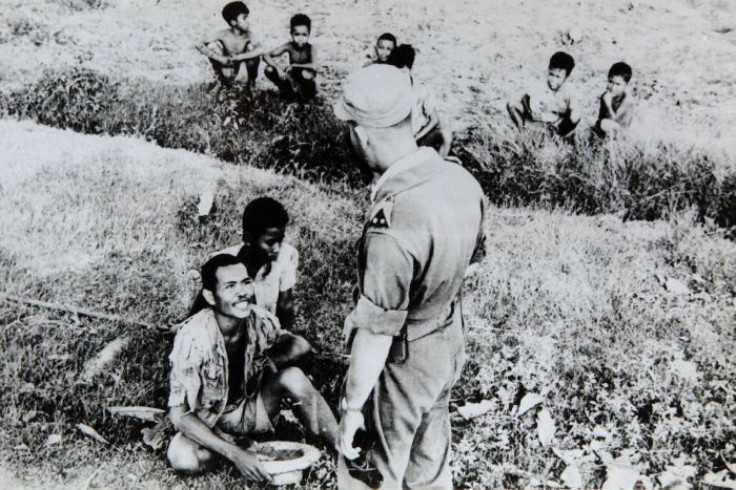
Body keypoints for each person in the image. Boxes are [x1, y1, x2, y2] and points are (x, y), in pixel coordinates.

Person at [332, 64, 486, 489]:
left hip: (402, 358)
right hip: (447, 341)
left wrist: (351, 409)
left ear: (362, 134)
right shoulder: (459, 179)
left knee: (367, 471)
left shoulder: (392, 225)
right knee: (429, 464)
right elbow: (473, 258)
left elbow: (378, 333)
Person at [166, 254, 338, 483]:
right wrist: (235, 454)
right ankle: (244, 452)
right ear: (210, 296)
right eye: (230, 286)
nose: (243, 292)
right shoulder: (193, 338)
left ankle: (340, 450)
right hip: (210, 423)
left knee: (294, 377)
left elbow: (289, 342)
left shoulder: (261, 321)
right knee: (183, 458)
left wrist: (280, 376)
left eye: (246, 282)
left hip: (251, 409)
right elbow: (179, 415)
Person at [388, 44, 453, 157]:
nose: (401, 77)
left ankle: (441, 165)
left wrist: (417, 138)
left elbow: (435, 119)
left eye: (403, 72)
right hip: (399, 143)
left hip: (419, 139)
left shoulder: (422, 89)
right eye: (397, 73)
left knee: (446, 134)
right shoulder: (391, 90)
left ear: (410, 69)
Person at [507, 51, 581, 138]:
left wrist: (555, 108)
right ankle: (522, 129)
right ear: (549, 70)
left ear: (566, 77)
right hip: (537, 116)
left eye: (558, 77)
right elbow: (525, 98)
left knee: (575, 116)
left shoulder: (569, 91)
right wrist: (531, 108)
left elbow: (573, 111)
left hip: (555, 121)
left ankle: (557, 135)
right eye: (551, 74)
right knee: (512, 103)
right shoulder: (541, 83)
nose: (553, 79)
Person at [195, 1, 260, 89]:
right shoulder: (224, 34)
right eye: (244, 18)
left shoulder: (249, 35)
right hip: (227, 66)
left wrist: (240, 57)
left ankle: (249, 85)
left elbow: (261, 49)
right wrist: (219, 58)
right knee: (212, 46)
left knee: (253, 50)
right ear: (233, 22)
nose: (248, 21)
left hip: (243, 68)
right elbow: (198, 43)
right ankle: (221, 82)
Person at [261, 13, 319, 101]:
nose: (300, 38)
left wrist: (294, 65)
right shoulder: (289, 46)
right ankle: (286, 89)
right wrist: (278, 69)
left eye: (304, 35)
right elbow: (266, 56)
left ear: (309, 34)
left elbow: (314, 66)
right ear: (291, 34)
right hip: (292, 77)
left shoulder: (311, 48)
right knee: (269, 69)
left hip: (307, 79)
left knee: (304, 74)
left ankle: (306, 96)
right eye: (297, 34)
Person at [593, 62, 636, 137]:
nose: (613, 87)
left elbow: (615, 120)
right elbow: (601, 118)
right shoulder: (606, 95)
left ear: (626, 85)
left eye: (618, 84)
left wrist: (608, 106)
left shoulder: (628, 101)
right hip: (608, 128)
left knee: (604, 124)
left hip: (623, 134)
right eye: (610, 82)